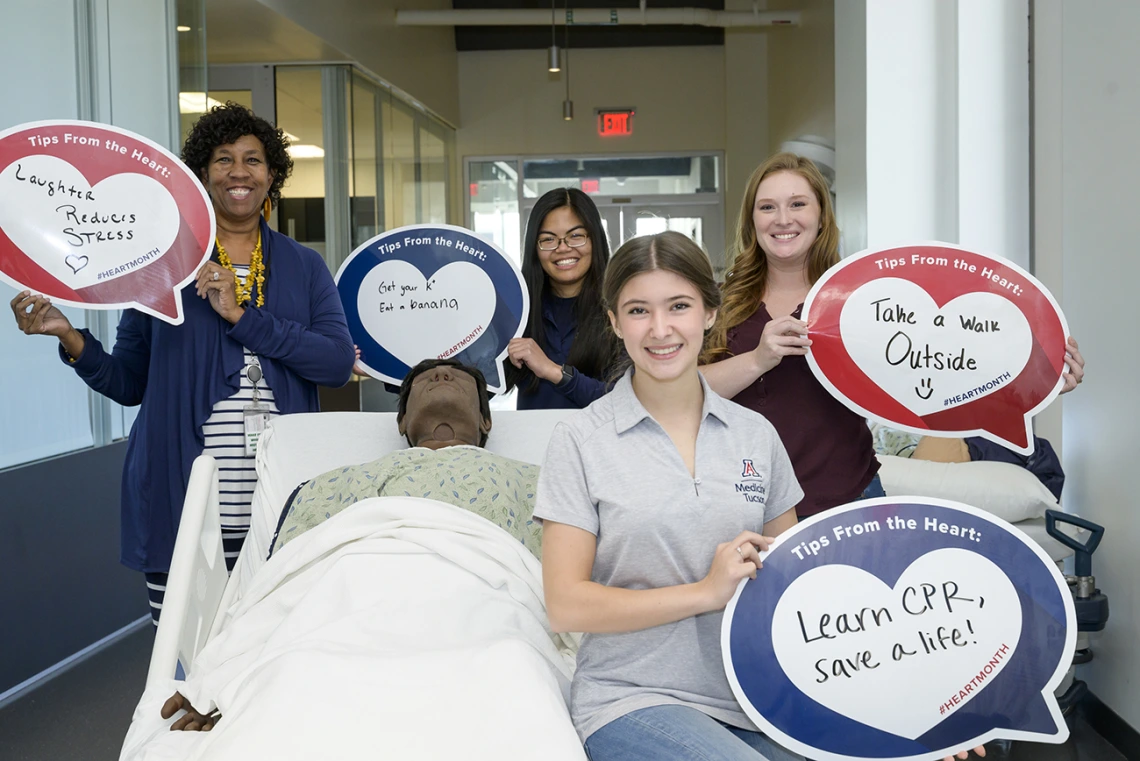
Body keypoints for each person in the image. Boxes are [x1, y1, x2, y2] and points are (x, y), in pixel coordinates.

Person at [9, 102, 355, 624]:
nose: (239, 171)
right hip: (184, 506)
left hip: (279, 504)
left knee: (272, 664)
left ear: (272, 175)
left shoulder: (303, 265)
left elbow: (333, 364)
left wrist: (240, 313)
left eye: (253, 160)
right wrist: (71, 339)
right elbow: (129, 382)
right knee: (186, 669)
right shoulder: (160, 263)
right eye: (222, 159)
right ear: (202, 176)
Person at [534, 231, 804, 761]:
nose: (660, 330)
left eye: (678, 306)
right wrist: (705, 591)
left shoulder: (756, 436)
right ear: (613, 321)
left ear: (709, 312)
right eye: (638, 310)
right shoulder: (581, 441)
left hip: (759, 703)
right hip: (633, 700)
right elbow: (566, 604)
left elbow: (801, 584)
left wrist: (891, 710)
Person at [161, 357, 543, 731]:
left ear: (485, 419)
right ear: (402, 422)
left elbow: (561, 584)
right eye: (427, 379)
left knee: (512, 667)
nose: (442, 373)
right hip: (348, 615)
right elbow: (283, 585)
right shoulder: (329, 485)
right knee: (291, 681)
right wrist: (228, 676)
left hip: (486, 618)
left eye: (457, 378)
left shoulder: (537, 484)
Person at [701, 152, 1085, 518]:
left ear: (821, 217)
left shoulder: (865, 299)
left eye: (798, 204)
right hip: (745, 504)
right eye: (767, 207)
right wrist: (756, 360)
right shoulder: (719, 303)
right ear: (752, 221)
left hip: (847, 496)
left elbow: (943, 370)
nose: (783, 218)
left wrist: (1041, 381)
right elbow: (683, 393)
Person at [506, 187, 618, 409]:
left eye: (576, 236)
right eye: (548, 239)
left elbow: (624, 399)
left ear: (594, 239)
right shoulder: (517, 310)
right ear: (534, 249)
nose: (563, 248)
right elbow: (483, 387)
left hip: (600, 443)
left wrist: (553, 371)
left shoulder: (621, 310)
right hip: (533, 442)